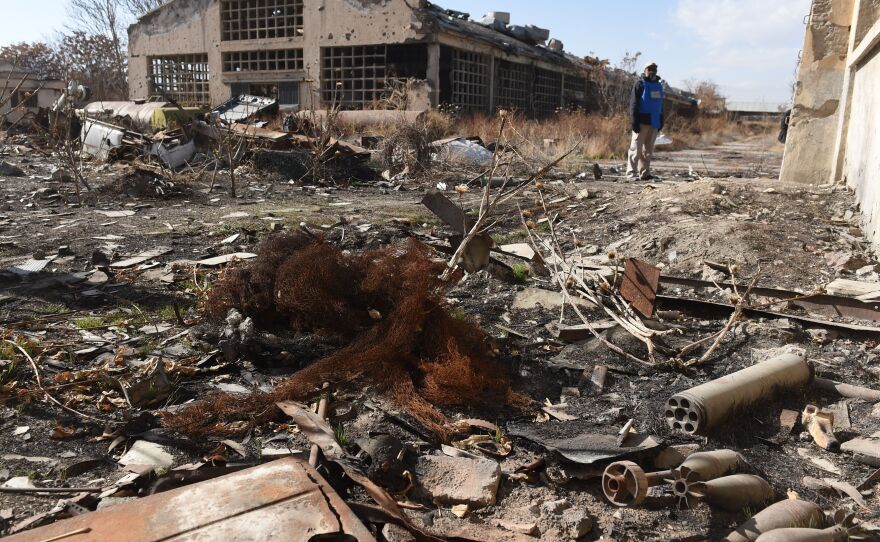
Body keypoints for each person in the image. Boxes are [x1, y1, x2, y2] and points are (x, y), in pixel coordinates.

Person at [626, 62, 664, 180]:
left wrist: (661, 121)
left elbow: (660, 105)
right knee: (635, 150)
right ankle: (631, 173)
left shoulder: (659, 86)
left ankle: (645, 173)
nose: (652, 71)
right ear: (645, 70)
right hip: (641, 123)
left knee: (648, 151)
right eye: (649, 69)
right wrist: (634, 121)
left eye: (654, 69)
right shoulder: (640, 83)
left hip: (654, 123)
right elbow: (634, 103)